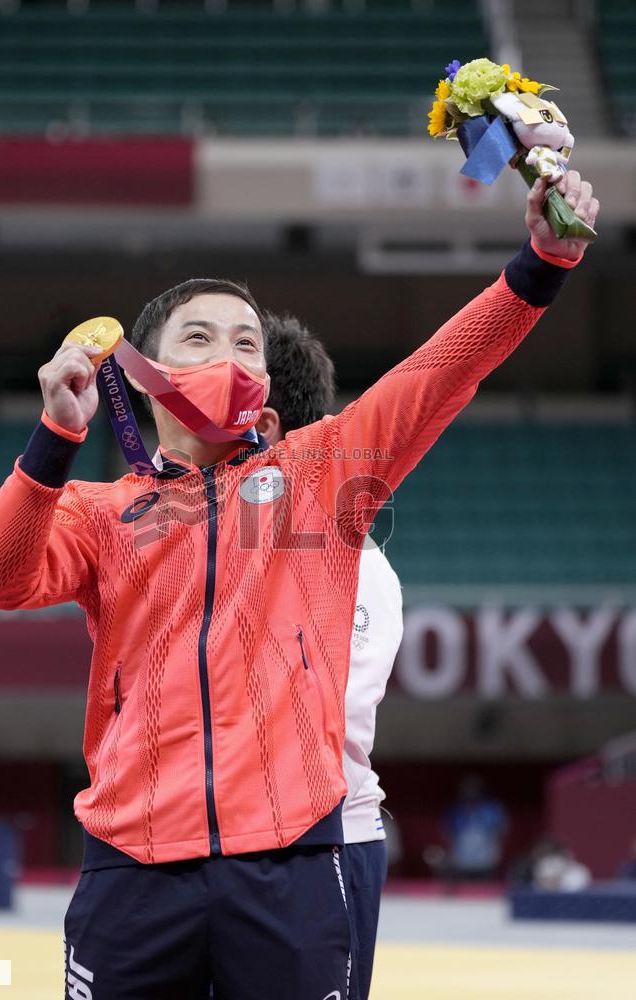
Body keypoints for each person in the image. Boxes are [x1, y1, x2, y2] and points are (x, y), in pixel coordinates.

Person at [0, 172, 599, 999]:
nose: (228, 357)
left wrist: (540, 266)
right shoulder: (101, 514)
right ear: (144, 372)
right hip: (131, 865)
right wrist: (54, 439)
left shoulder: (320, 475)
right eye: (199, 338)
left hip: (293, 861)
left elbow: (441, 371)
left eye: (246, 344)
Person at [255, 312, 403, 1000]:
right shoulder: (240, 535)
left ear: (266, 423)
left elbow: (325, 709)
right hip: (232, 843)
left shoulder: (350, 561)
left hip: (322, 843)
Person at [444, 774, 508, 881]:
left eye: (473, 788)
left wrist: (495, 851)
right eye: (466, 788)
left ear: (481, 789)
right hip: (462, 861)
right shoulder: (456, 810)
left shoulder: (492, 809)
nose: (470, 792)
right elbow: (447, 833)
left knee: (485, 892)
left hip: (485, 860)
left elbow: (502, 830)